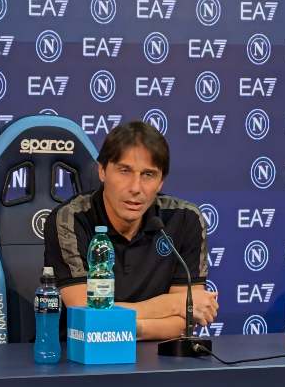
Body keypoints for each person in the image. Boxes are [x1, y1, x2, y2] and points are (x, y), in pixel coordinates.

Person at [43, 121, 218, 340]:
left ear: (161, 181)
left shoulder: (185, 219)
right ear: (102, 171)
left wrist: (130, 328)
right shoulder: (70, 219)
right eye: (124, 171)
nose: (135, 188)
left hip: (159, 361)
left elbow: (183, 323)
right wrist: (173, 304)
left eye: (148, 175)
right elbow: (86, 315)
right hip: (79, 358)